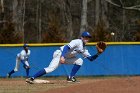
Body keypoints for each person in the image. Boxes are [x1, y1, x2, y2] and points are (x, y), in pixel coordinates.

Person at [26, 31, 103, 83]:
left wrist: (98, 53)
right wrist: (62, 57)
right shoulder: (77, 41)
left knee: (79, 61)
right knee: (50, 69)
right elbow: (66, 47)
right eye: (86, 37)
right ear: (82, 37)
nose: (87, 39)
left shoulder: (84, 49)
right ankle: (32, 78)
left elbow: (90, 59)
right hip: (59, 54)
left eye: (88, 38)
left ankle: (71, 77)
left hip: (66, 57)